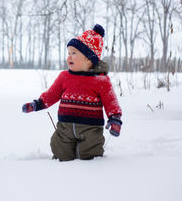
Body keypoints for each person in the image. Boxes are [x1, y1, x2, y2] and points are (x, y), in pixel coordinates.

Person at [22, 24, 122, 161]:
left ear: (89, 58)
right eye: (68, 53)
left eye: (73, 53)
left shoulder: (101, 80)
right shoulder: (64, 77)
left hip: (91, 129)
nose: (69, 57)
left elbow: (110, 101)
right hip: (65, 128)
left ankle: (85, 165)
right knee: (59, 150)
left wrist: (115, 118)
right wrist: (37, 104)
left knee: (89, 154)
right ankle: (64, 168)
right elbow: (51, 94)